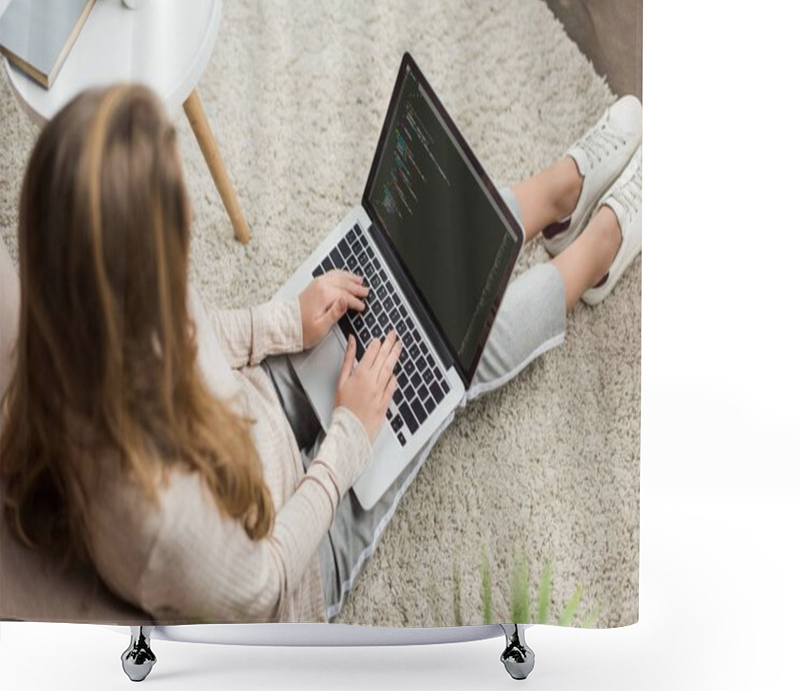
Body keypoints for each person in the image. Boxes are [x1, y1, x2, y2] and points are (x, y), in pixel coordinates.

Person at [0, 84, 642, 624]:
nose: (194, 210)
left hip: (255, 410)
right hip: (303, 546)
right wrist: (348, 438)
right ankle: (599, 250)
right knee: (449, 352)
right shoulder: (164, 523)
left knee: (407, 277)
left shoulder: (81, 305)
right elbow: (265, 583)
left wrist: (286, 322)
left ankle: (556, 196)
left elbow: (198, 335)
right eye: (180, 204)